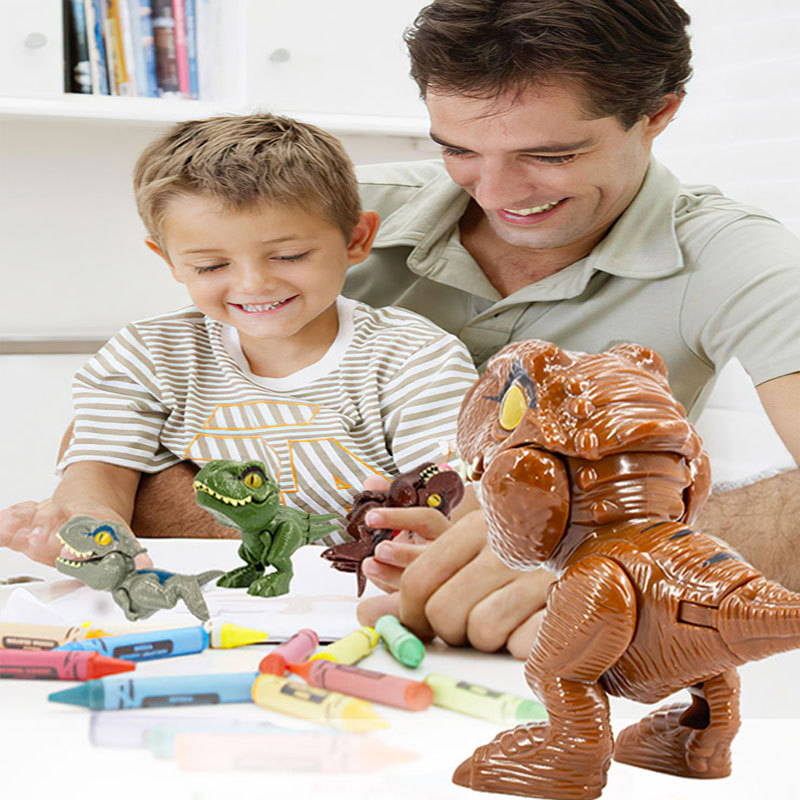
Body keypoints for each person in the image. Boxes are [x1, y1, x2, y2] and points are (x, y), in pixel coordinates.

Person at [347, 0, 800, 657]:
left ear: (658, 114)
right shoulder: (328, 216)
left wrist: (613, 546)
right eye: (459, 150)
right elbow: (178, 449)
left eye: (550, 154)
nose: (496, 194)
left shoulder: (738, 256)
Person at [0, 113, 478, 567]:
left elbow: (458, 497)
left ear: (357, 239)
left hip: (365, 590)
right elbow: (99, 471)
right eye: (211, 266)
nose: (253, 285)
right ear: (170, 260)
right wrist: (84, 524)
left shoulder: (414, 357)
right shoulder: (149, 355)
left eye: (289, 255)